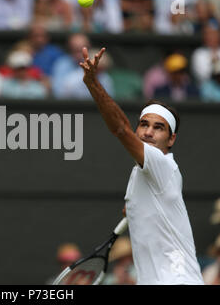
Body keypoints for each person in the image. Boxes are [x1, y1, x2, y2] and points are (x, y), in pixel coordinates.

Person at [80, 46, 204, 285]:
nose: (148, 132)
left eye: (158, 128)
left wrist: (93, 84)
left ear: (171, 139)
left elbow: (119, 129)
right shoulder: (145, 173)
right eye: (144, 124)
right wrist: (136, 208)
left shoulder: (161, 164)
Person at [51, 33, 90, 97]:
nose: (78, 53)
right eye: (75, 49)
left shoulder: (95, 64)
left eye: (81, 49)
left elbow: (107, 91)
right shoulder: (61, 64)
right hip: (67, 105)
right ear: (70, 48)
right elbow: (58, 92)